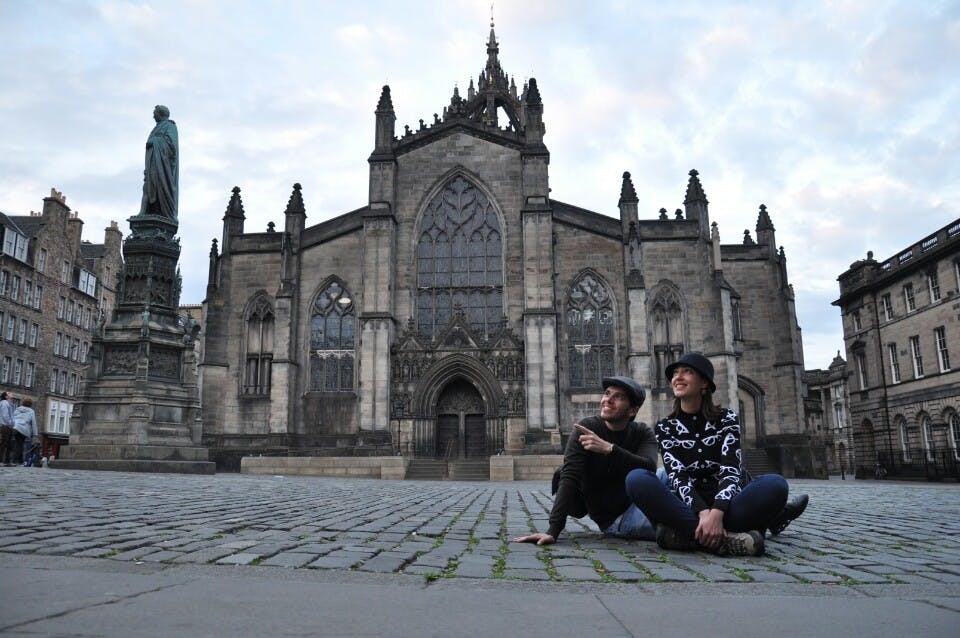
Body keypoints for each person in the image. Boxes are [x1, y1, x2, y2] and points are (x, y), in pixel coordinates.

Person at [625, 353, 809, 556]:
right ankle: (729, 538)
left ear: (704, 383)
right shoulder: (665, 427)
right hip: (688, 507)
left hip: (729, 506)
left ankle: (685, 537)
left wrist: (717, 513)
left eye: (687, 372)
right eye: (675, 373)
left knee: (775, 484)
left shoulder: (727, 418)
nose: (677, 377)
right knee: (636, 479)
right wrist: (703, 512)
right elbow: (678, 476)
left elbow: (730, 470)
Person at [514, 376, 658, 546]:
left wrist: (609, 449)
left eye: (618, 397)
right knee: (673, 527)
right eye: (607, 393)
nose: (608, 400)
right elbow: (569, 476)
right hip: (618, 516)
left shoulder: (642, 432)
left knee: (666, 475)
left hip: (642, 498)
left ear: (633, 411)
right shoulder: (587, 428)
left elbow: (649, 467)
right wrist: (553, 530)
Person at [139, 104, 179, 221]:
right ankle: (144, 211)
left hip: (163, 166)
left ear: (160, 114)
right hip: (153, 163)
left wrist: (155, 141)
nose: (153, 116)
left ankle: (160, 211)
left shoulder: (170, 126)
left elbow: (172, 147)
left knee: (159, 186)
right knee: (147, 186)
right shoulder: (158, 127)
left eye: (154, 114)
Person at [12, 398, 39, 466]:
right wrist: (35, 433)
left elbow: (13, 418)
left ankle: (20, 461)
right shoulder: (31, 411)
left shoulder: (17, 409)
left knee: (18, 444)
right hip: (23, 429)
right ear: (30, 404)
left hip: (15, 427)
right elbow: (33, 423)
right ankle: (15, 460)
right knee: (19, 445)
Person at [0, 391, 15, 466]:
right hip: (6, 425)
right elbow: (5, 415)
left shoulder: (9, 403)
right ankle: (2, 461)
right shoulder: (5, 403)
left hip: (8, 426)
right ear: (6, 396)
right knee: (4, 443)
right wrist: (11, 423)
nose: (11, 393)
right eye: (9, 393)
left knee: (9, 444)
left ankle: (7, 461)